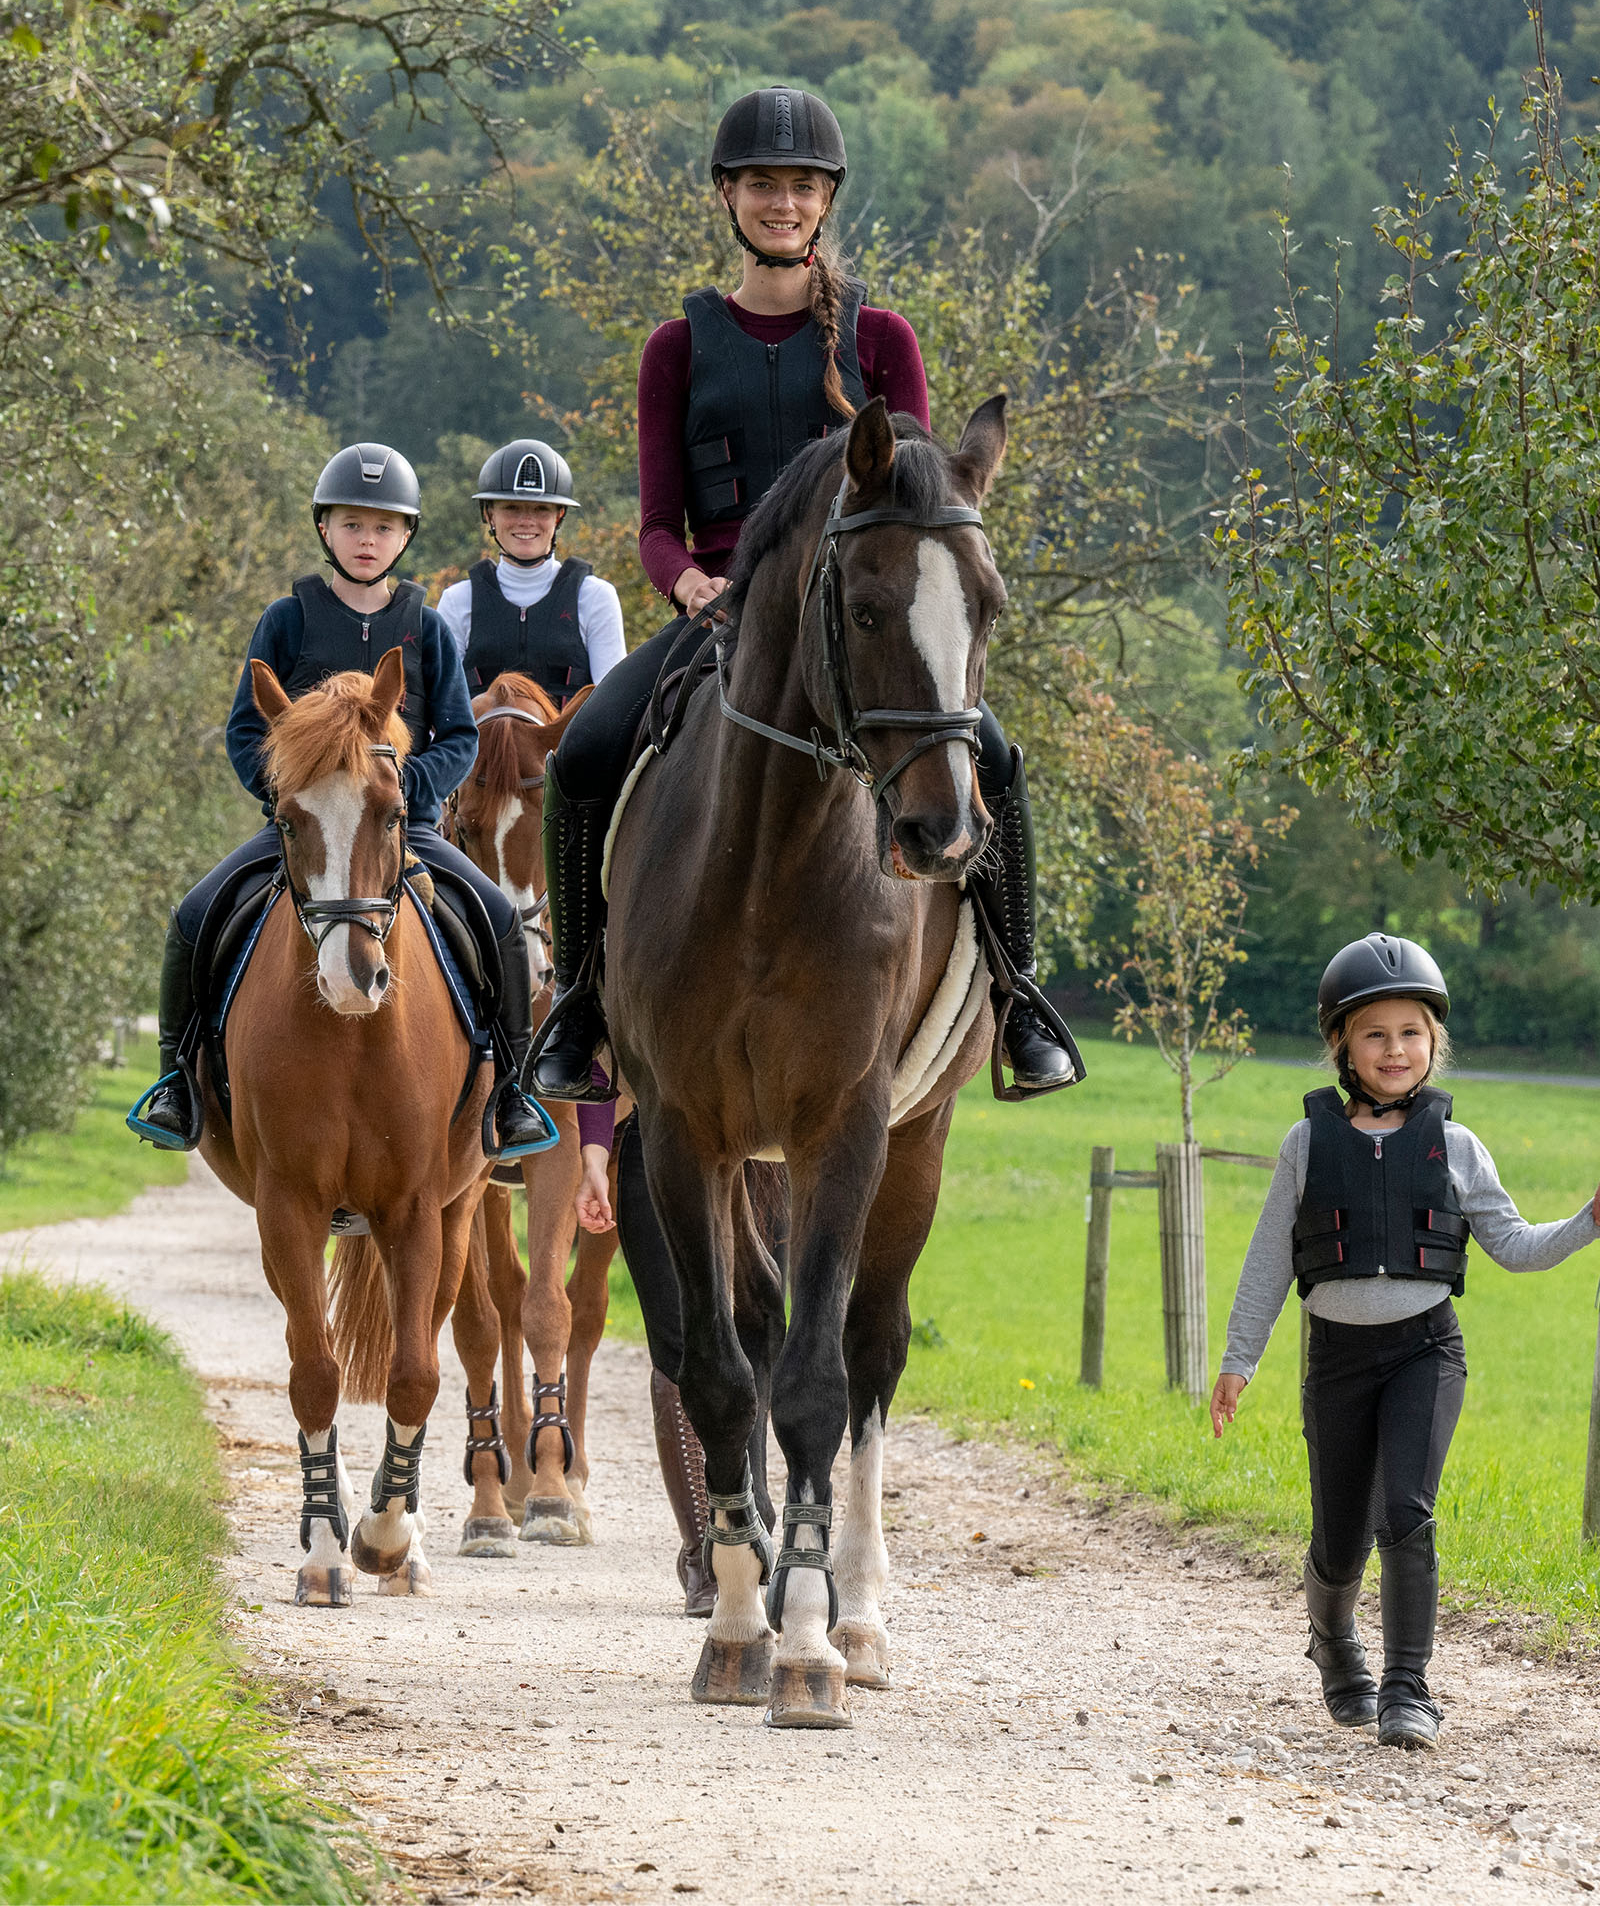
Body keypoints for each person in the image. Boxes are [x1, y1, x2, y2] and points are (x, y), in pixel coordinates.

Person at [529, 81, 1076, 1106]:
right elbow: (656, 524)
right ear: (727, 196)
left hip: (856, 626)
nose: (782, 203)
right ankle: (576, 1006)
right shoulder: (677, 347)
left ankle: (1020, 1001)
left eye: (802, 186)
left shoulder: (883, 339)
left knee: (993, 759)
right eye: (762, 185)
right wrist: (688, 580)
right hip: (725, 617)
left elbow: (918, 503)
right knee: (585, 751)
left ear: (827, 200)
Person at [1211, 931, 1600, 1750]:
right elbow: (1268, 1261)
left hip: (1427, 1351)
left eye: (1412, 1033)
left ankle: (1408, 1688)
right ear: (1342, 1045)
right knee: (1339, 1539)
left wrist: (1588, 1220)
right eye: (1376, 1034)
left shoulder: (1457, 1146)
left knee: (1407, 1514)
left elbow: (1516, 1246)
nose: (1396, 1049)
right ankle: (1333, 1643)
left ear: (1434, 1043)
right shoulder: (1307, 1143)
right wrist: (1239, 1360)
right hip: (1336, 1360)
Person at [135, 442, 551, 1157]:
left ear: (406, 535)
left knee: (503, 923)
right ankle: (176, 1080)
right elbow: (245, 730)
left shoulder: (426, 628)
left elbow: (458, 736)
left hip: (406, 830)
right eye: (353, 524)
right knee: (192, 917)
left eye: (384, 527)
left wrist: (401, 792)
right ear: (324, 528)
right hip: (304, 833)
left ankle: (512, 1090)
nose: (368, 540)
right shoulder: (287, 619)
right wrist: (302, 797)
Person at [435, 439, 626, 704]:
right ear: (489, 515)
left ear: (559, 515)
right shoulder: (457, 601)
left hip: (571, 733)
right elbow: (442, 703)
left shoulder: (595, 597)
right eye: (512, 508)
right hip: (481, 732)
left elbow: (614, 701)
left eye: (541, 509)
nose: (526, 521)